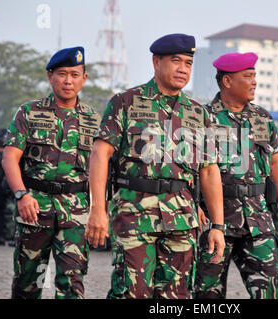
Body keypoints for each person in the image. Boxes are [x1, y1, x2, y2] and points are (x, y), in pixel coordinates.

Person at [86, 33, 225, 299]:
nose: (183, 68)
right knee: (131, 292)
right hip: (133, 214)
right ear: (156, 62)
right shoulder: (126, 102)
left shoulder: (199, 113)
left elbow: (209, 170)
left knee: (176, 296)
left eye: (188, 63)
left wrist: (217, 226)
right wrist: (97, 209)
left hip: (182, 219)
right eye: (176, 61)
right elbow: (100, 154)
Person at [2, 46, 100, 299]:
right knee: (27, 283)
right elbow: (10, 157)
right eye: (62, 74)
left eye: (75, 75)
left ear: (84, 79)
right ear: (50, 76)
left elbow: (102, 169)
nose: (69, 80)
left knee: (72, 282)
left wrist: (100, 210)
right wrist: (21, 195)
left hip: (76, 212)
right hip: (35, 207)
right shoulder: (29, 112)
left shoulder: (93, 119)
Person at [194, 52, 278, 299]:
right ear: (227, 81)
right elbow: (192, 168)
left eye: (254, 76)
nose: (254, 82)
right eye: (248, 76)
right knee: (207, 294)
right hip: (216, 221)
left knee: (268, 289)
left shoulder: (262, 118)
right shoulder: (203, 118)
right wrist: (194, 205)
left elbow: (275, 160)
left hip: (258, 219)